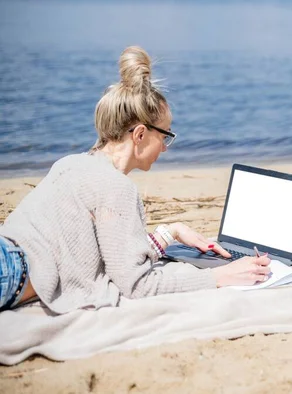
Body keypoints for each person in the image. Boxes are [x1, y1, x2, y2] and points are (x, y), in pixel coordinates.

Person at [0, 46, 271, 314]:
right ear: (140, 135)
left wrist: (170, 232)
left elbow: (115, 252)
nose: (165, 147)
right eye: (165, 136)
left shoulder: (70, 164)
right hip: (10, 271)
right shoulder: (117, 187)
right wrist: (220, 276)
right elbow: (138, 285)